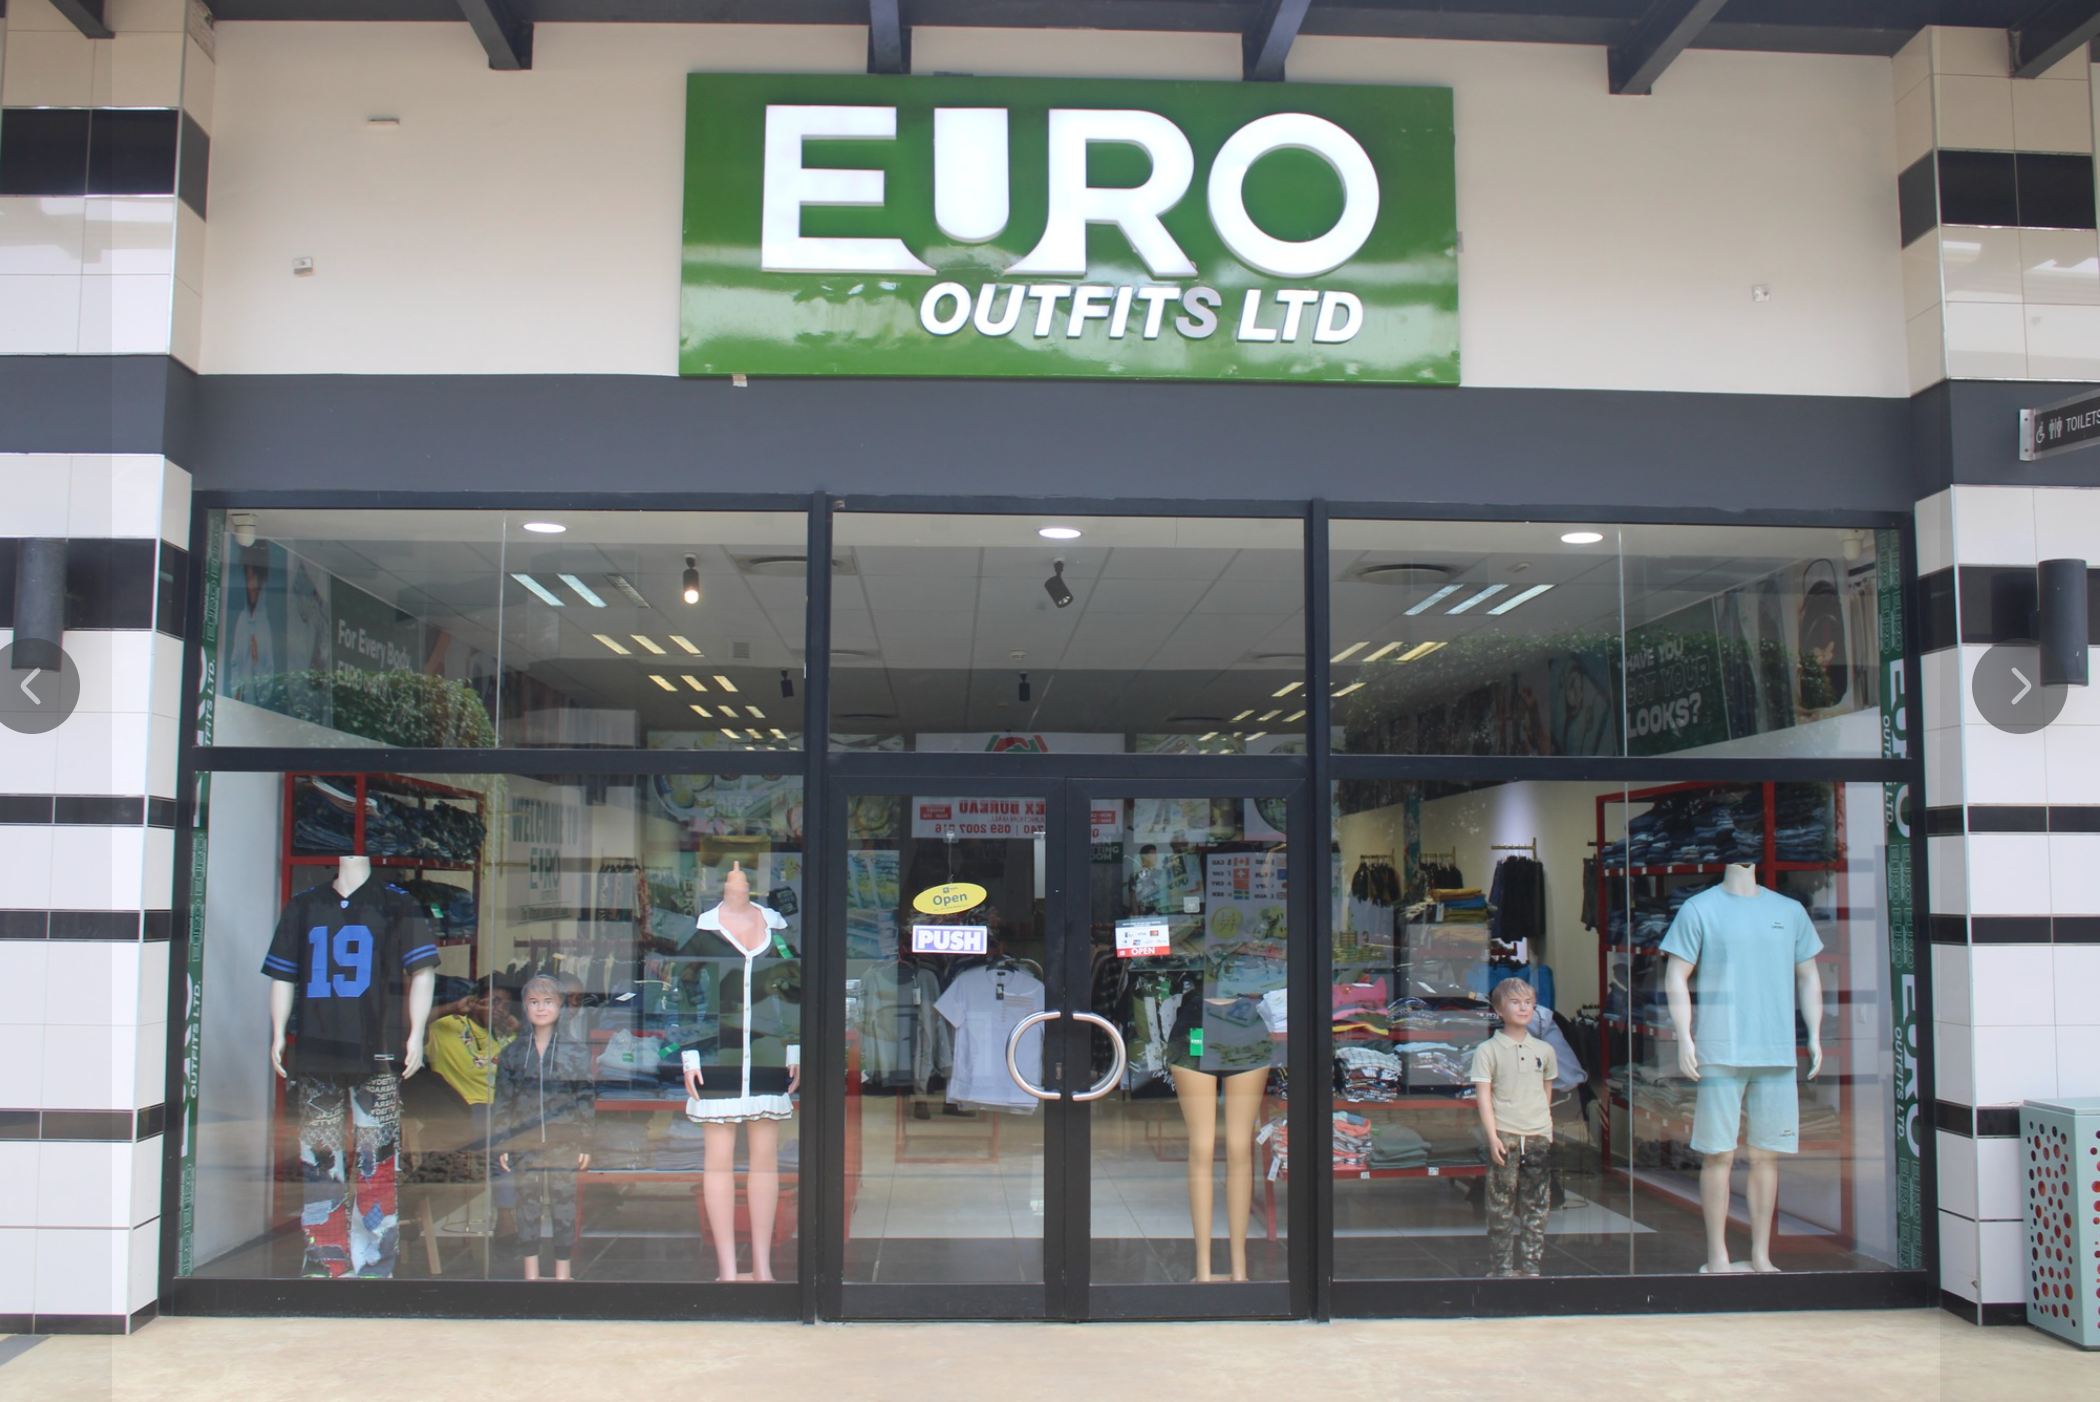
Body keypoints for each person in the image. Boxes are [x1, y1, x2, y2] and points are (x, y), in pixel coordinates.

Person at [495, 975, 595, 1281]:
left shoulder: (575, 1051)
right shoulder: (513, 1053)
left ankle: (563, 1270)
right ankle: (531, 1272)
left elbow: (585, 1098)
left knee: (564, 1203)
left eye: (548, 1002)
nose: (541, 1008)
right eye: (534, 1002)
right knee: (527, 1203)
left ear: (560, 1006)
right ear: (525, 1006)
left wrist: (586, 1141)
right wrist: (503, 1141)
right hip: (524, 1142)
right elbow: (503, 1101)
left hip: (564, 1141)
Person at [1470, 977, 1557, 1278]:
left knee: (1537, 1202)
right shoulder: (1487, 1050)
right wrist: (1492, 1134)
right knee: (1500, 1204)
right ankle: (1502, 1268)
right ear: (1498, 1009)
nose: (1523, 1008)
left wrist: (1545, 1127)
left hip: (1538, 1134)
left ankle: (1532, 1267)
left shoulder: (1545, 1050)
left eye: (1528, 1003)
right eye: (1515, 1002)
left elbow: (1546, 1091)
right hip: (1504, 1134)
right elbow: (1483, 1095)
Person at [425, 977, 519, 1236]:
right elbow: (409, 1023)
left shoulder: (509, 1037)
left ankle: (508, 1219)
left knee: (505, 1133)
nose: (499, 1009)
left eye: (506, 1006)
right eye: (494, 1002)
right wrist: (453, 1007)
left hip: (497, 1113)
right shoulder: (447, 1026)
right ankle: (506, 1222)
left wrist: (522, 1029)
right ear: (477, 1001)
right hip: (459, 1109)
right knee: (499, 1136)